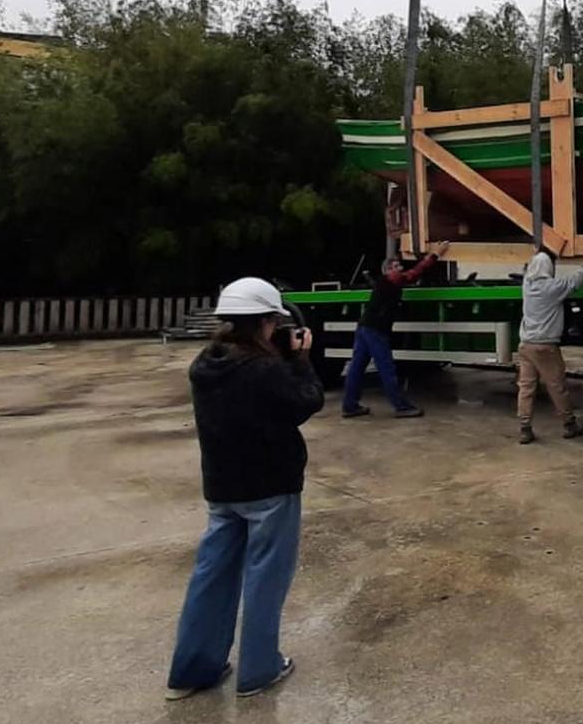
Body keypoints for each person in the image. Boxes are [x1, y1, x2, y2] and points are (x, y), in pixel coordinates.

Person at [167, 277, 325, 699]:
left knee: (211, 576)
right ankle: (259, 669)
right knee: (265, 579)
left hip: (222, 489)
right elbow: (305, 402)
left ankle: (193, 670)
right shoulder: (265, 368)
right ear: (265, 323)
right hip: (271, 487)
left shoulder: (204, 364)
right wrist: (302, 360)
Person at [342, 249, 440, 419]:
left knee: (356, 368)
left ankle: (350, 406)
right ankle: (401, 406)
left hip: (365, 327)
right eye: (396, 266)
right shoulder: (390, 280)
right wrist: (433, 256)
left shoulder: (385, 283)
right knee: (386, 368)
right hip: (375, 330)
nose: (400, 268)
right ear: (387, 270)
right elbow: (412, 275)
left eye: (399, 265)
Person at [517, 246, 583, 444]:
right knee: (557, 386)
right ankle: (569, 424)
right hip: (546, 346)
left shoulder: (527, 284)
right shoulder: (552, 288)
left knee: (526, 387)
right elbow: (576, 281)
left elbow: (529, 269)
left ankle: (525, 428)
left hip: (526, 345)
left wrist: (536, 254)